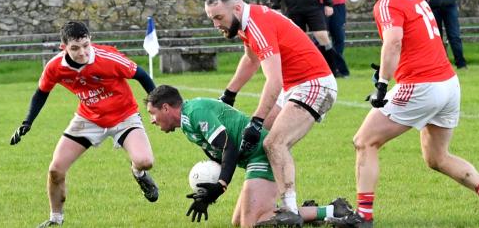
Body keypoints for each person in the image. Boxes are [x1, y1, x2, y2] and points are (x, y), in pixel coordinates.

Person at [328, 0, 479, 228]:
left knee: (364, 141)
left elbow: (393, 43)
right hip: (448, 84)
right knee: (437, 157)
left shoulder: (386, 1)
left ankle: (363, 217)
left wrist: (382, 85)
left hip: (422, 85)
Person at [205, 0, 338, 226]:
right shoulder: (246, 22)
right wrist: (228, 95)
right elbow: (250, 60)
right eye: (212, 19)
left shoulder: (256, 24)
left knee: (274, 142)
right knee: (253, 146)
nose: (216, 24)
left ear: (236, 8)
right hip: (293, 86)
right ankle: (314, 210)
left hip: (314, 84)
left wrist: (256, 121)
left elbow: (274, 80)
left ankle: (290, 210)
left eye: (218, 17)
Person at [9, 21, 160, 228]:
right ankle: (55, 219)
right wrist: (28, 122)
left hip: (124, 115)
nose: (82, 52)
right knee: (55, 170)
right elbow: (41, 93)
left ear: (91, 41)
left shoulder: (107, 57)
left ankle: (138, 173)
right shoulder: (55, 67)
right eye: (75, 48)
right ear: (64, 48)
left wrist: (157, 106)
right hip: (88, 118)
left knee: (145, 161)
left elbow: (141, 75)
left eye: (86, 45)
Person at [145, 85, 353, 227]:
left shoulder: (195, 113)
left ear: (166, 108)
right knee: (239, 221)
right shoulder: (188, 126)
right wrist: (209, 193)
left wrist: (219, 187)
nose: (152, 121)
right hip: (253, 159)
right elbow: (222, 158)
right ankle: (320, 212)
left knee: (250, 224)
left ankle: (333, 211)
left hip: (262, 155)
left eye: (152, 114)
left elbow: (229, 147)